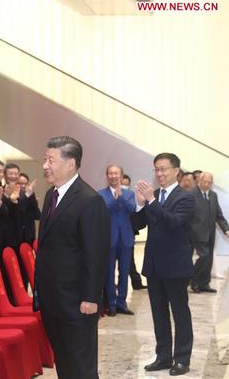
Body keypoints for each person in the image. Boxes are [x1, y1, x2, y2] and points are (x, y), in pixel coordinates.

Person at [35, 136, 109, 379]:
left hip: (77, 302)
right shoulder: (50, 196)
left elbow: (95, 254)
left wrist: (90, 297)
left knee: (81, 366)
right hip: (52, 299)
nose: (45, 165)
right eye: (45, 159)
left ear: (71, 163)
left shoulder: (90, 200)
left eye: (51, 160)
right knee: (64, 363)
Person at [135, 153, 195, 376]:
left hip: (176, 266)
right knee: (158, 313)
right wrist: (140, 205)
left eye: (163, 169)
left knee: (180, 313)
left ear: (176, 171)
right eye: (156, 170)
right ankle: (162, 356)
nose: (159, 174)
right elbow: (137, 225)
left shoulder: (186, 197)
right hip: (154, 265)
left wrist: (151, 202)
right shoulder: (155, 195)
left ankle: (182, 359)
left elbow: (173, 223)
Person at [98, 165, 136, 316]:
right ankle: (111, 305)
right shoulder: (100, 194)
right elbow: (103, 210)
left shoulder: (129, 194)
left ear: (121, 175)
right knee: (109, 273)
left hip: (125, 239)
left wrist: (121, 196)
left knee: (124, 272)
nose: (113, 176)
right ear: (107, 176)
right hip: (109, 239)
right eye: (110, 173)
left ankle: (122, 303)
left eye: (116, 173)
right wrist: (116, 199)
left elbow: (132, 209)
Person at [189, 172, 229, 293]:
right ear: (199, 181)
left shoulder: (213, 195)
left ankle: (204, 283)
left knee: (208, 259)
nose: (207, 184)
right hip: (195, 232)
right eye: (205, 181)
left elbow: (218, 214)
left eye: (210, 182)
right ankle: (194, 280)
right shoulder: (191, 194)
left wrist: (226, 229)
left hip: (210, 233)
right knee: (203, 256)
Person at [121, 174, 146, 290]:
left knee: (130, 260)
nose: (124, 187)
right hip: (114, 235)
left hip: (129, 234)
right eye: (122, 184)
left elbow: (136, 216)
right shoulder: (109, 197)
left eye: (126, 185)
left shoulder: (133, 198)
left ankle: (136, 282)